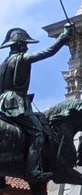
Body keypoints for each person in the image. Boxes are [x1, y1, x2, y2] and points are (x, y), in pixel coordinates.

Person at [0, 23, 71, 182]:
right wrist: (64, 36)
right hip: (16, 103)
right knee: (37, 133)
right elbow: (48, 52)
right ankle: (33, 170)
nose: (26, 47)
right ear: (20, 45)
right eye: (25, 44)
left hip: (2, 102)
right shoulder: (23, 59)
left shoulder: (3, 64)